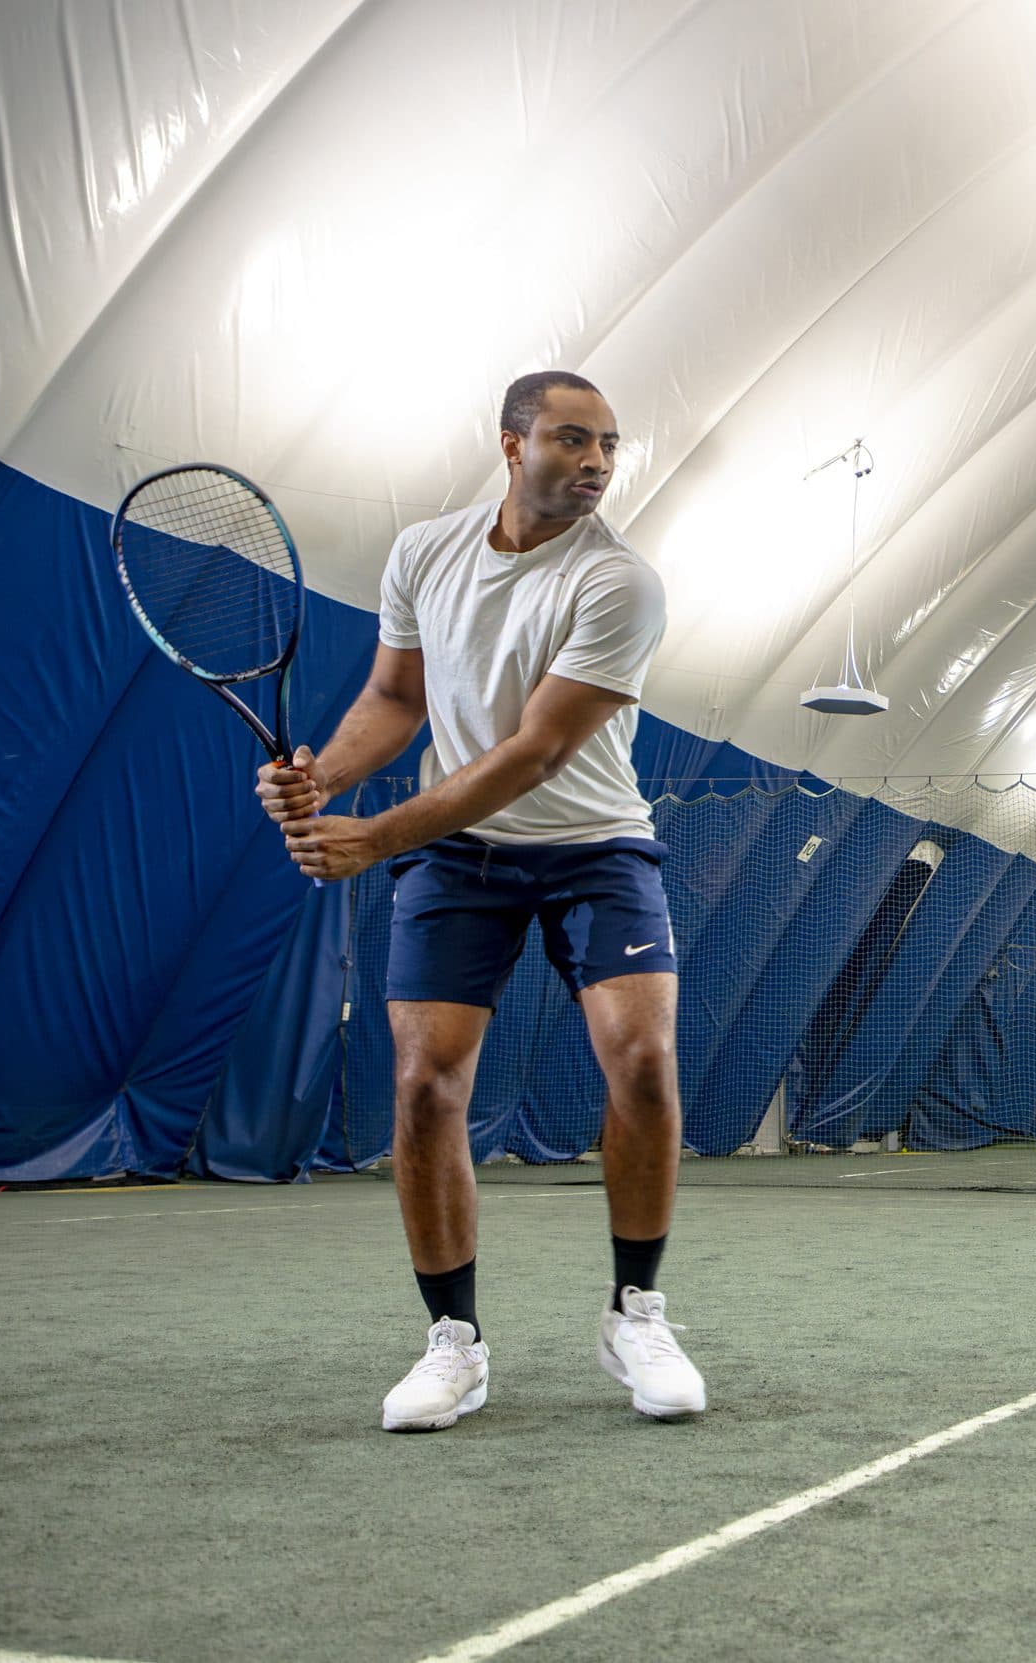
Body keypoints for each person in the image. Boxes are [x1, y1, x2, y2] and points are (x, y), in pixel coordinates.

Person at [256, 371, 703, 1431]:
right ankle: (452, 1342)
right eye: (571, 439)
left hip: (597, 847)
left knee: (641, 1058)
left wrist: (375, 836)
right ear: (510, 445)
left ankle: (635, 1310)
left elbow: (535, 753)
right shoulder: (423, 553)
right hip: (459, 862)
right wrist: (326, 778)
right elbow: (397, 700)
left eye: (609, 445)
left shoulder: (621, 584)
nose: (596, 462)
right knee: (422, 1086)